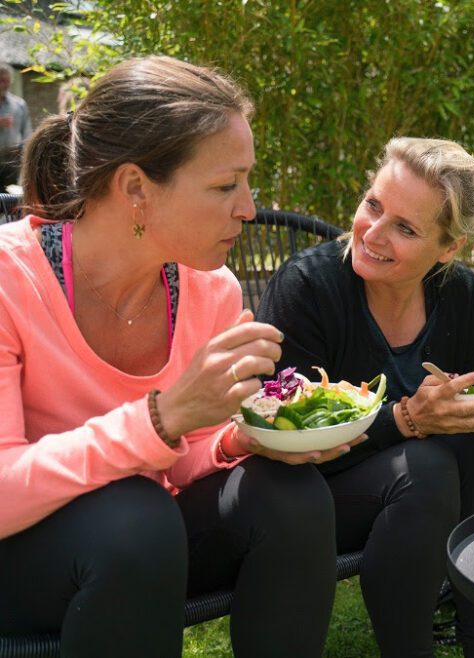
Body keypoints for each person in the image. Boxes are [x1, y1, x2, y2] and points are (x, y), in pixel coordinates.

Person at [0, 56, 342, 657]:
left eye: (247, 182)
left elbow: (184, 461)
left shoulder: (212, 291)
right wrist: (159, 419)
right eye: (225, 185)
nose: (248, 207)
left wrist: (237, 440)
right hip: (23, 554)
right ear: (135, 187)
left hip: (141, 551)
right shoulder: (10, 279)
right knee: (136, 513)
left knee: (289, 494)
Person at [256, 137, 474, 657]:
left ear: (448, 248)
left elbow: (451, 415)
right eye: (373, 205)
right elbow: (286, 432)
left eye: (405, 228)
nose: (372, 233)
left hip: (410, 492)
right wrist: (405, 419)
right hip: (301, 494)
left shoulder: (459, 293)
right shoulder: (308, 286)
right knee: (424, 468)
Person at [0, 64, 33, 189]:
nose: (5, 84)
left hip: (12, 159)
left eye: (8, 81)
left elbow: (27, 132)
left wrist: (27, 155)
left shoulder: (19, 104)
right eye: (2, 80)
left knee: (9, 194)